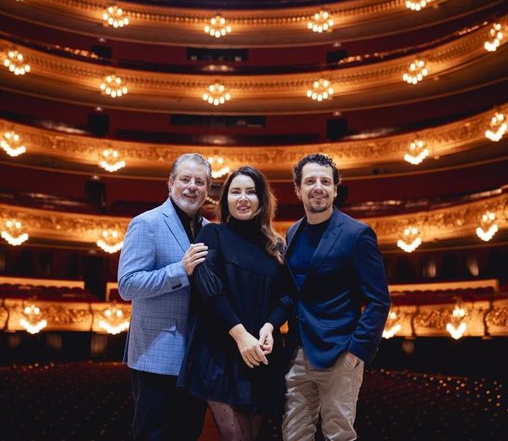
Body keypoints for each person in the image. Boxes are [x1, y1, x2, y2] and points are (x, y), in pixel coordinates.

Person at [178, 165, 294, 441]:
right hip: (220, 351)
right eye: (236, 191)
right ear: (226, 199)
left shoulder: (275, 245)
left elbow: (288, 295)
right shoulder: (212, 235)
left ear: (262, 200)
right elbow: (208, 290)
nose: (243, 198)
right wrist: (240, 335)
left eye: (251, 192)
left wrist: (269, 325)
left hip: (260, 354)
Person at [282, 153, 391, 441]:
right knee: (294, 434)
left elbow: (379, 300)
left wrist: (357, 351)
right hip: (298, 350)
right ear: (298, 189)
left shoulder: (357, 234)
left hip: (341, 352)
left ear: (335, 188)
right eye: (310, 181)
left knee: (338, 434)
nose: (318, 187)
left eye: (325, 181)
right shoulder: (292, 232)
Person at [118, 153, 211, 441]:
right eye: (185, 179)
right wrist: (180, 271)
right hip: (155, 356)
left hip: (197, 358)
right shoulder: (146, 223)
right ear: (170, 183)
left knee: (189, 434)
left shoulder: (211, 231)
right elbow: (128, 285)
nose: (192, 186)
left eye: (200, 181)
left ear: (208, 190)